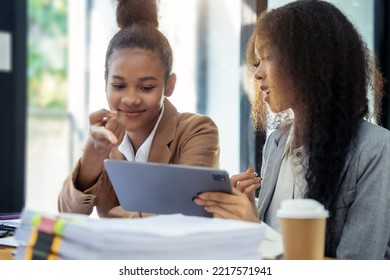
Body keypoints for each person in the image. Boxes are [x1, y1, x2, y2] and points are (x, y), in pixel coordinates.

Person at [194, 0, 390, 259]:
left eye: (268, 57)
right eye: (257, 61)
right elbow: (273, 245)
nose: (257, 74)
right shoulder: (276, 142)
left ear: (310, 61)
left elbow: (358, 268)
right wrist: (246, 215)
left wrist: (254, 230)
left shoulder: (377, 149)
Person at [58, 0, 220, 218]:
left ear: (169, 85)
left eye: (146, 87)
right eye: (118, 85)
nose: (130, 99)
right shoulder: (105, 140)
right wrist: (93, 154)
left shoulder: (196, 131)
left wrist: (109, 214)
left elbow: (180, 215)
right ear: (105, 81)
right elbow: (68, 215)